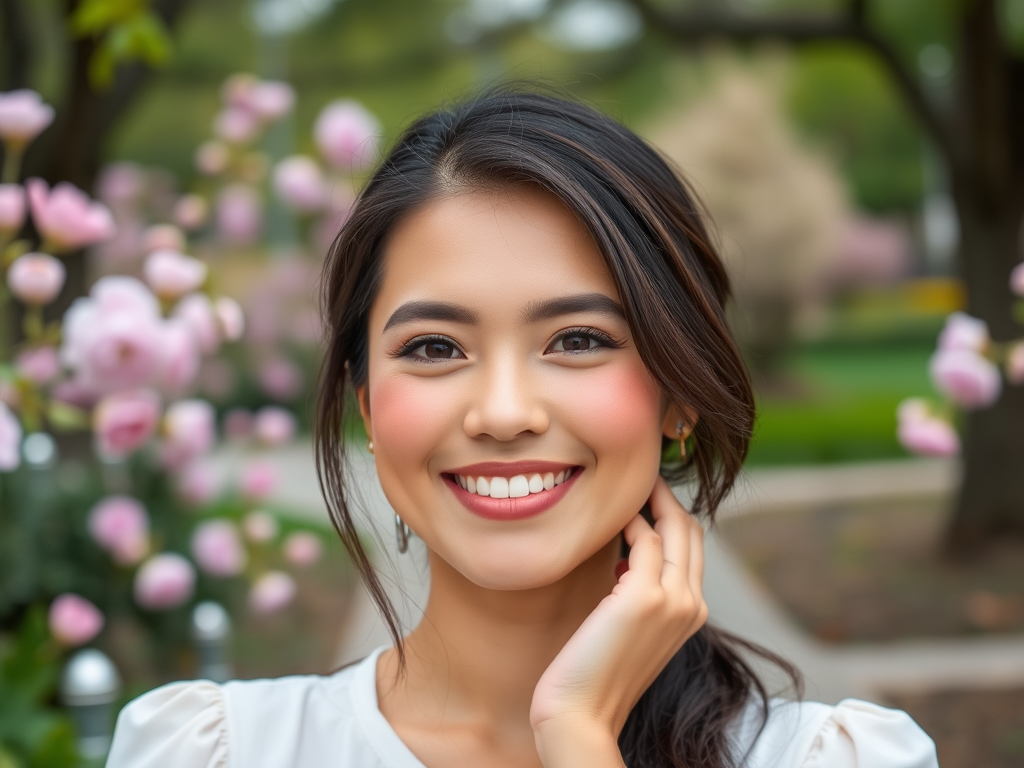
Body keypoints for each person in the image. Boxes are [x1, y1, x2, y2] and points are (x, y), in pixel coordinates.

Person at [106, 89, 938, 768]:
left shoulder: (832, 759)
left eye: (577, 340)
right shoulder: (217, 752)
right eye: (435, 347)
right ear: (368, 409)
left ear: (680, 392)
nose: (503, 413)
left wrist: (577, 735)